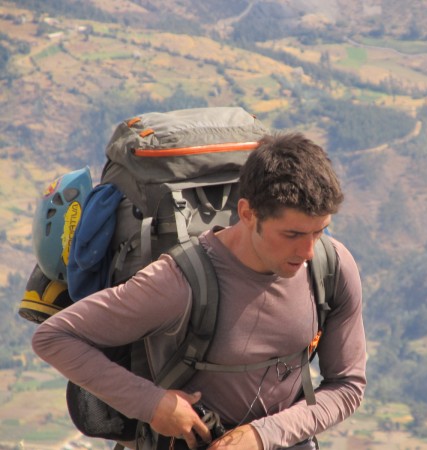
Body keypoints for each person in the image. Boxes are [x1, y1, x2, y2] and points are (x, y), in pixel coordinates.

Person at [32, 132, 367, 450]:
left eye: (319, 231)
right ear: (248, 214)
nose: (308, 251)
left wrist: (261, 436)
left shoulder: (331, 267)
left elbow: (347, 386)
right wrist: (153, 405)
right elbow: (54, 337)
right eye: (292, 235)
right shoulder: (179, 282)